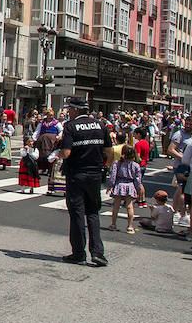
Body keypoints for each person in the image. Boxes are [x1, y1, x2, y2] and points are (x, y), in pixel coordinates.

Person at [54, 98, 115, 266]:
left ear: (75, 110)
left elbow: (66, 153)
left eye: (69, 109)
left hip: (77, 173)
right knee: (93, 212)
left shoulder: (71, 126)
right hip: (95, 173)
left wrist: (56, 154)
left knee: (77, 213)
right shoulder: (100, 125)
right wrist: (105, 167)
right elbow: (109, 152)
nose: (68, 112)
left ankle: (79, 252)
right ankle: (97, 253)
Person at [107, 144, 145, 233]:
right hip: (130, 184)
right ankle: (130, 226)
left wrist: (111, 185)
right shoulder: (135, 165)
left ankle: (113, 224)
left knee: (116, 205)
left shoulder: (118, 163)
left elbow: (113, 175)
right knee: (129, 206)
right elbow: (137, 179)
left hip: (120, 183)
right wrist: (138, 189)